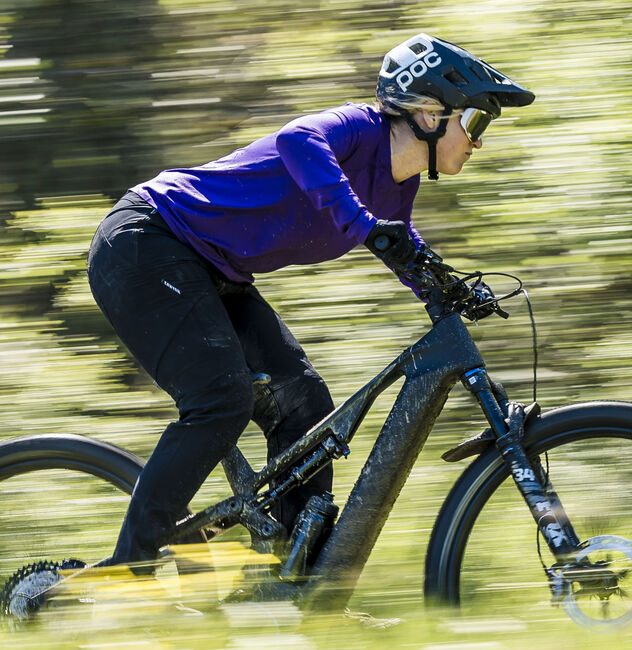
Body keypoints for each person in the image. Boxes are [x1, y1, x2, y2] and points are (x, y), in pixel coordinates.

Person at [87, 32, 534, 571]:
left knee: (305, 402)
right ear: (429, 113)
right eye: (476, 122)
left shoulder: (397, 186)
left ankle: (293, 573)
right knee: (221, 401)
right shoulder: (357, 128)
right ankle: (127, 572)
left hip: (212, 269)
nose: (479, 141)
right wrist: (363, 226)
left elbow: (398, 240)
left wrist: (444, 287)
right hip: (146, 242)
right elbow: (299, 141)